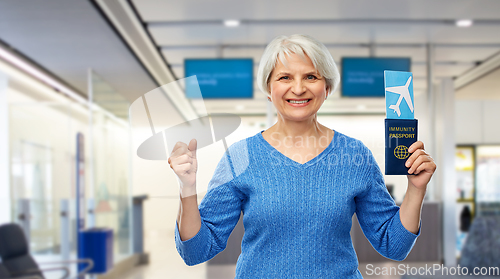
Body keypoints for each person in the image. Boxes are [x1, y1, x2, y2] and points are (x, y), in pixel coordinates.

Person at [168, 34, 437, 278]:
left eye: (311, 76)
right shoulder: (240, 156)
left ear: (327, 88)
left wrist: (415, 190)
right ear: (268, 89)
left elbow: (393, 244)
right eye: (285, 77)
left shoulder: (355, 155)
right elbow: (196, 252)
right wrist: (187, 188)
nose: (298, 89)